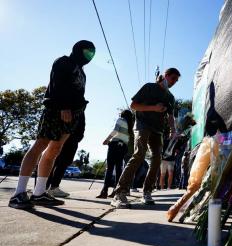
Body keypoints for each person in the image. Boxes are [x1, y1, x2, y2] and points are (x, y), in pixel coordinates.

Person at [8, 40, 95, 209]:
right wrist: (63, 106)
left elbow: (78, 93)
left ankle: (39, 193)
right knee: (40, 145)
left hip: (73, 116)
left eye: (92, 54)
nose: (89, 56)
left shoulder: (81, 72)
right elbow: (57, 85)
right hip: (55, 110)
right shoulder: (63, 62)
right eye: (87, 52)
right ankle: (18, 194)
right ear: (78, 50)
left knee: (55, 150)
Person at [111, 68, 180, 208]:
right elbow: (133, 105)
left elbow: (171, 116)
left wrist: (173, 130)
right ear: (166, 76)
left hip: (158, 130)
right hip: (142, 125)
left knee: (157, 159)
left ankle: (147, 192)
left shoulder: (170, 97)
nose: (174, 82)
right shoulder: (150, 87)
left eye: (176, 81)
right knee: (139, 155)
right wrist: (154, 108)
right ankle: (119, 193)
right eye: (173, 78)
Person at [96, 109, 134, 199]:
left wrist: (107, 139)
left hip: (115, 145)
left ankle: (104, 191)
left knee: (109, 168)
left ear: (122, 114)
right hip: (123, 147)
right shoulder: (130, 125)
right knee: (118, 169)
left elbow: (115, 130)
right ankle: (116, 191)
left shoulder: (120, 120)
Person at [46, 112, 85, 198]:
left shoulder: (81, 107)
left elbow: (81, 123)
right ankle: (45, 187)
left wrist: (79, 136)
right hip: (62, 134)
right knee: (55, 160)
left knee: (64, 162)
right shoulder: (71, 102)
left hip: (73, 137)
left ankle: (52, 187)